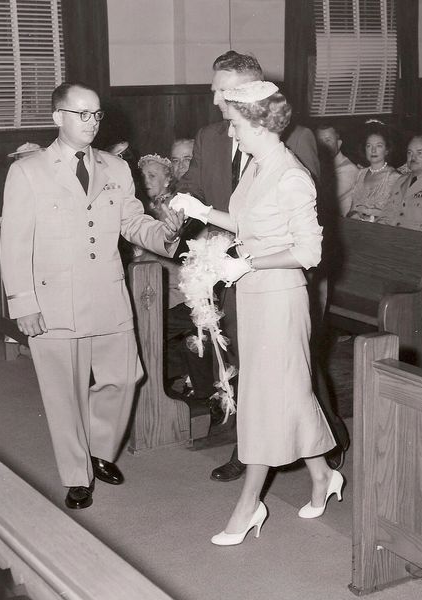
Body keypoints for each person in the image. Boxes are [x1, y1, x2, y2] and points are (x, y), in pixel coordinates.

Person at [0, 82, 183, 510]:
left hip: (107, 295)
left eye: (96, 114)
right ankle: (77, 475)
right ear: (56, 117)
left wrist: (167, 231)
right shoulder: (28, 171)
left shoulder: (116, 168)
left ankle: (99, 449)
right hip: (53, 302)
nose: (91, 123)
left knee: (125, 377)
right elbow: (14, 243)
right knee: (63, 394)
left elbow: (134, 224)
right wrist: (23, 303)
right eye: (81, 114)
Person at [171, 81, 340, 545]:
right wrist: (201, 209)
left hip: (281, 297)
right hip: (253, 293)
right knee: (287, 391)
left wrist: (250, 261)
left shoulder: (291, 176)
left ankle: (249, 505)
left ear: (262, 124)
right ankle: (323, 475)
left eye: (236, 124)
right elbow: (245, 223)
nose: (231, 133)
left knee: (266, 399)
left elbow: (309, 252)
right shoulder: (256, 166)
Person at [135, 154, 216, 410]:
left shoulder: (178, 208)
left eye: (153, 176)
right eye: (143, 176)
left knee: (146, 329)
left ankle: (159, 391)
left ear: (169, 179)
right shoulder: (140, 207)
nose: (146, 181)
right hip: (151, 288)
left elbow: (189, 250)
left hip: (181, 292)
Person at [346, 122, 401, 221]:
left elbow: (396, 214)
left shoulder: (394, 177)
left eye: (379, 146)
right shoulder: (360, 174)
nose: (373, 150)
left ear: (387, 150)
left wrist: (371, 219)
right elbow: (352, 209)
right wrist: (353, 215)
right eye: (369, 146)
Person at [315, 124, 359, 217]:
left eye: (328, 140)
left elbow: (322, 201)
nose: (323, 146)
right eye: (320, 141)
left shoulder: (348, 169)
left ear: (339, 144)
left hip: (344, 226)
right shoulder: (320, 165)